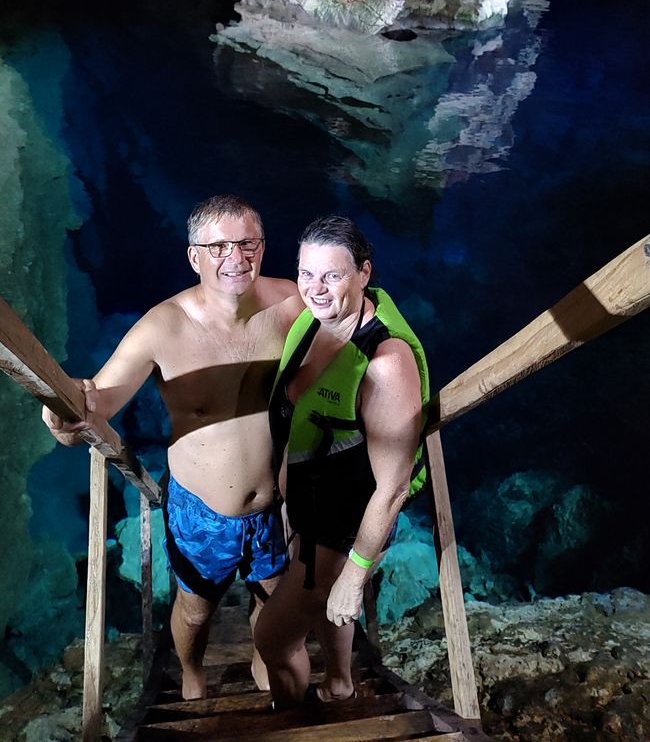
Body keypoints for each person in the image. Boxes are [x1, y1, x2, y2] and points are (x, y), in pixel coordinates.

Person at [42, 194, 300, 700]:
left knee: (272, 597)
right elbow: (97, 404)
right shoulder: (164, 326)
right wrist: (62, 412)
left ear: (263, 247)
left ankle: (262, 656)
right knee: (195, 607)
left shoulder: (290, 303)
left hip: (273, 504)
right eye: (219, 246)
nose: (236, 257)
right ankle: (192, 670)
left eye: (247, 243)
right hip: (200, 511)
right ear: (194, 256)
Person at [255, 215, 429, 707]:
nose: (315, 288)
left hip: (345, 526)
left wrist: (354, 576)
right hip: (312, 505)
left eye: (332, 275)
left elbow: (392, 486)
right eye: (306, 273)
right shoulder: (314, 319)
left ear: (364, 273)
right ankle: (340, 683)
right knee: (323, 610)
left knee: (272, 637)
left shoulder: (385, 364)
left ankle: (293, 721)